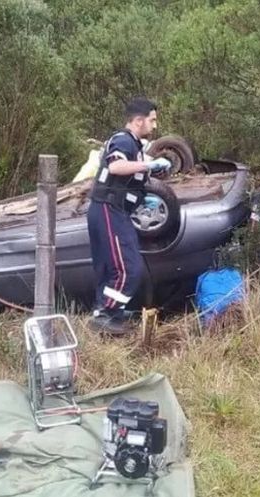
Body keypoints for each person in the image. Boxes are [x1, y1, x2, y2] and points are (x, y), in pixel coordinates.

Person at [86, 97, 173, 335]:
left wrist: (149, 176)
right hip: (109, 209)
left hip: (114, 210)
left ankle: (107, 314)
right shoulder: (123, 140)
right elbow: (115, 166)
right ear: (138, 120)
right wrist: (149, 166)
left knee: (110, 267)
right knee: (129, 267)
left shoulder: (134, 146)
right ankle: (107, 313)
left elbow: (129, 179)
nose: (155, 126)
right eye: (152, 120)